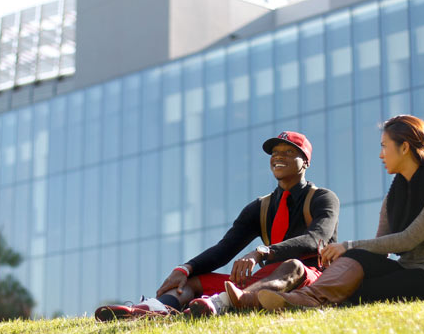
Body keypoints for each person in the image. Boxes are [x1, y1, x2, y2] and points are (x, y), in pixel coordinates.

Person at [94, 131, 340, 320]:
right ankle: (156, 309)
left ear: (305, 161)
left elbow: (315, 239)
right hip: (264, 283)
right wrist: (185, 268)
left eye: (288, 152)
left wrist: (263, 252)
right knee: (194, 280)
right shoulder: (261, 207)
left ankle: (221, 302)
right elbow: (224, 249)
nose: (278, 156)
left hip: (308, 278)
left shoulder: (323, 198)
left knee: (291, 265)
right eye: (275, 152)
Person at [257, 115, 424, 310]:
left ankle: (308, 300)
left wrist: (346, 247)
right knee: (356, 261)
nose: (380, 154)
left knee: (357, 288)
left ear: (404, 148)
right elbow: (381, 247)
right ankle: (308, 298)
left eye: (384, 147)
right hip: (409, 269)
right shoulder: (395, 194)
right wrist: (346, 256)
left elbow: (408, 240)